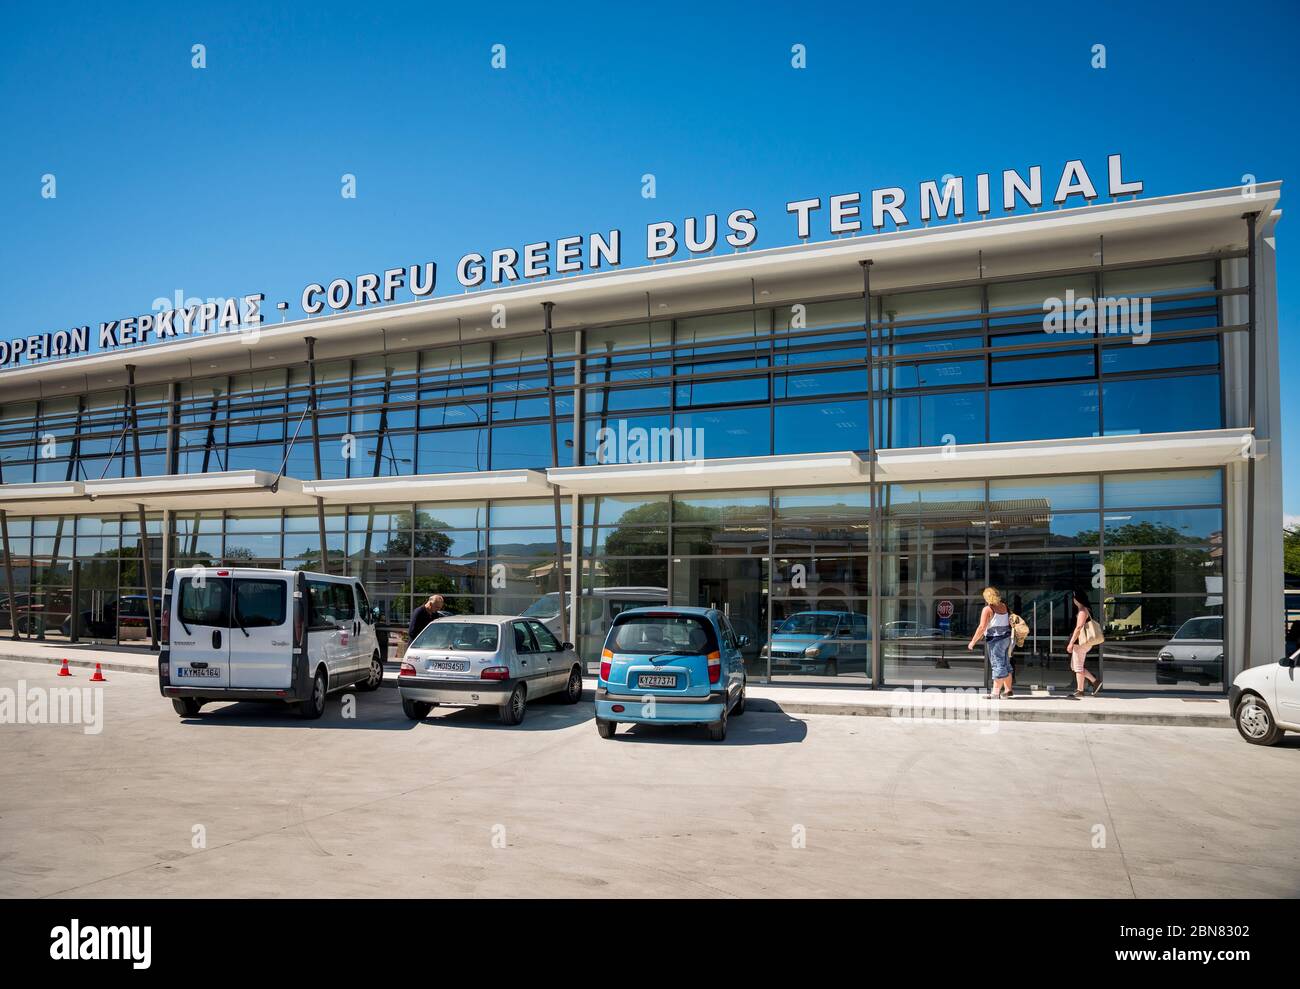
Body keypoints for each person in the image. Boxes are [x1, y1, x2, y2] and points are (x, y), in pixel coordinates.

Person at [968, 586, 1015, 699]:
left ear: (987, 597)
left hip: (996, 641)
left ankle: (995, 693)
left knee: (997, 664)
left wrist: (973, 642)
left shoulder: (988, 609)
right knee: (1005, 664)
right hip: (1007, 639)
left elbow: (981, 627)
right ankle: (1008, 690)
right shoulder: (1004, 606)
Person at [1066, 589, 1102, 698]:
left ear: (1077, 599)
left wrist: (1071, 643)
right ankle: (1095, 681)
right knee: (1075, 666)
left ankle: (1080, 690)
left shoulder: (1082, 611)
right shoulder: (1086, 610)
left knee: (1078, 667)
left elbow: (1078, 627)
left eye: (1074, 598)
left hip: (1080, 643)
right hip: (1084, 643)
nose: (1073, 600)